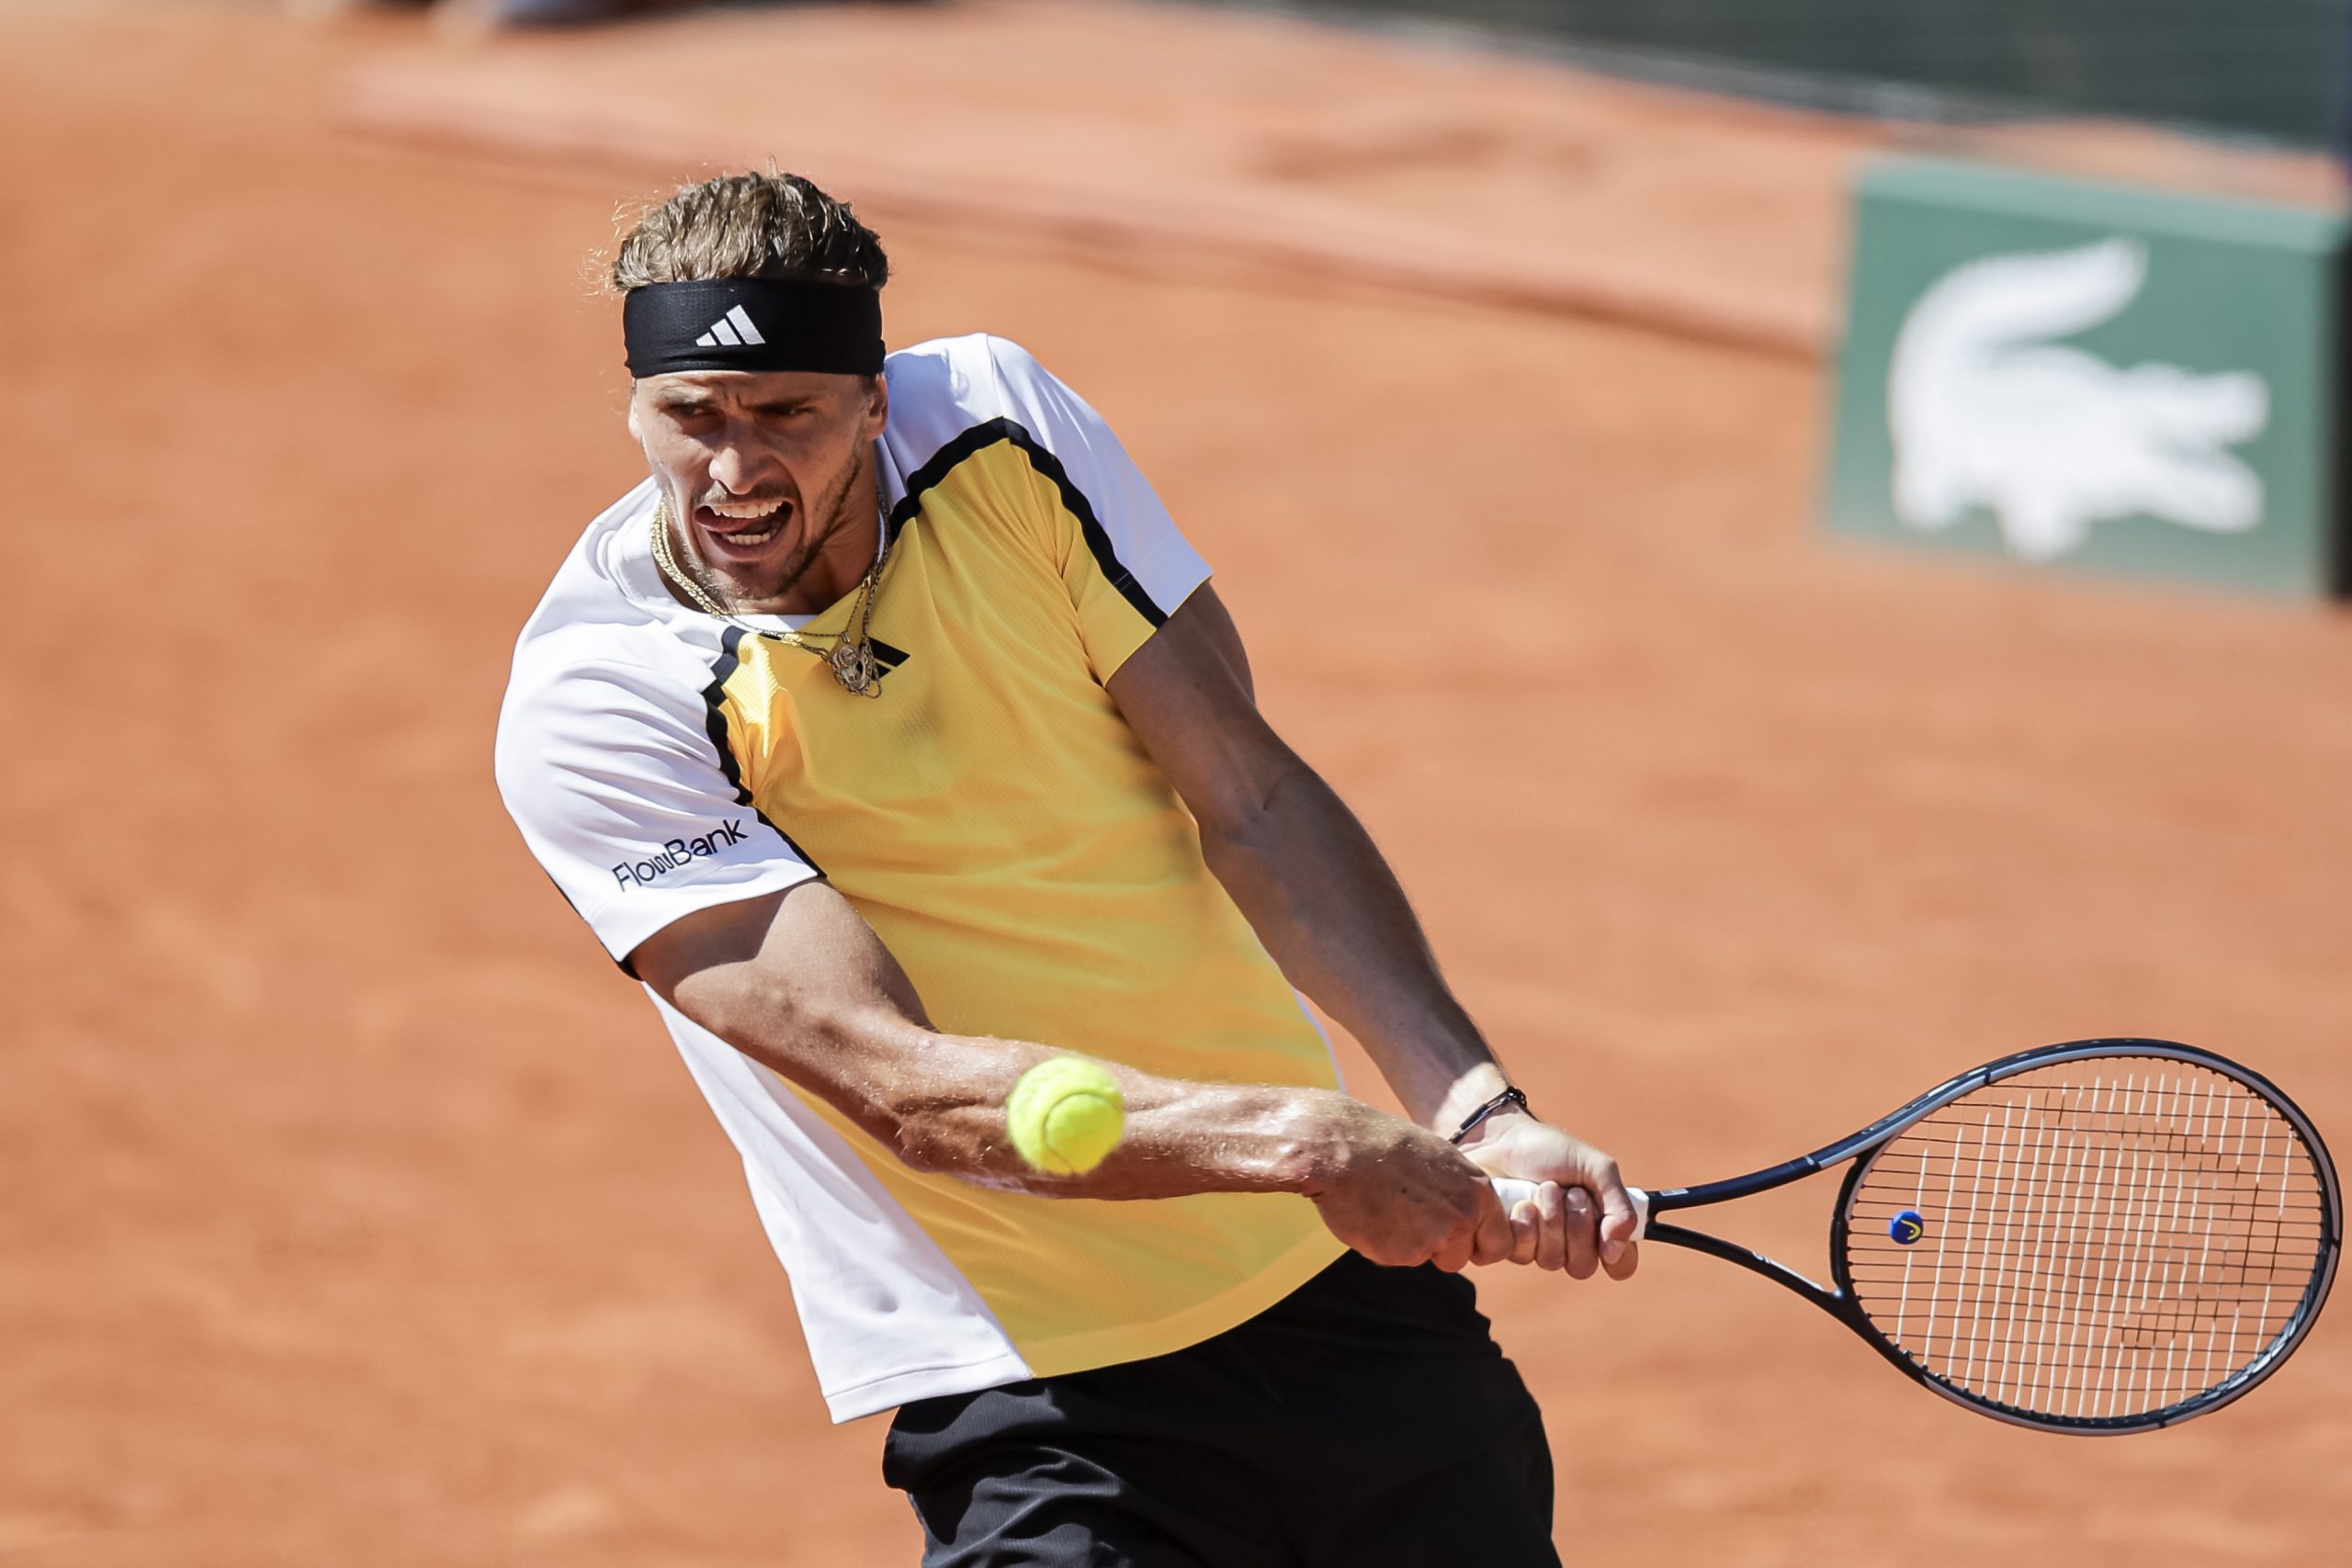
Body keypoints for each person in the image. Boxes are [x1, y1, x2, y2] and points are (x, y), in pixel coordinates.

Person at [494, 170, 1639, 1568]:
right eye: (691, 416)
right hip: (1034, 1394)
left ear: (875, 397)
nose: (733, 472)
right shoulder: (603, 702)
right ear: (637, 408)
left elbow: (1251, 792)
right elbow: (908, 1088)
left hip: (1347, 1317)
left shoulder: (995, 423)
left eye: (786, 414)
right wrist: (1303, 1143)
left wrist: (1474, 1110)